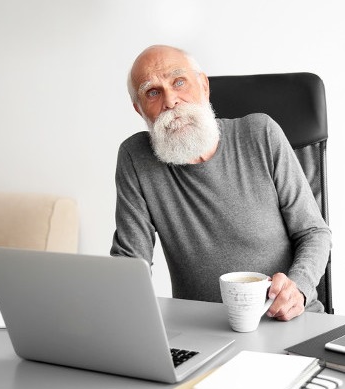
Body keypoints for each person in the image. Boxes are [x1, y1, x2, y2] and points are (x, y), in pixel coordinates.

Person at [110, 44, 331, 321]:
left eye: (179, 82)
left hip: (285, 320)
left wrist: (298, 289)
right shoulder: (135, 158)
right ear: (139, 109)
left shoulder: (261, 133)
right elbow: (130, 265)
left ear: (203, 85)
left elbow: (314, 232)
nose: (170, 101)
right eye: (152, 92)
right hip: (203, 333)